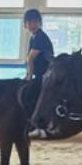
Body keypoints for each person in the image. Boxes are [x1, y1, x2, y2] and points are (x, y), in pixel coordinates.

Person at [23, 8, 55, 138]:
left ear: (39, 22)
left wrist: (29, 77)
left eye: (35, 21)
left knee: (32, 97)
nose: (32, 24)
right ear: (25, 24)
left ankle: (38, 127)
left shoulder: (40, 37)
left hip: (46, 76)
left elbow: (30, 59)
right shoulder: (34, 37)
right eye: (29, 22)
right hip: (41, 75)